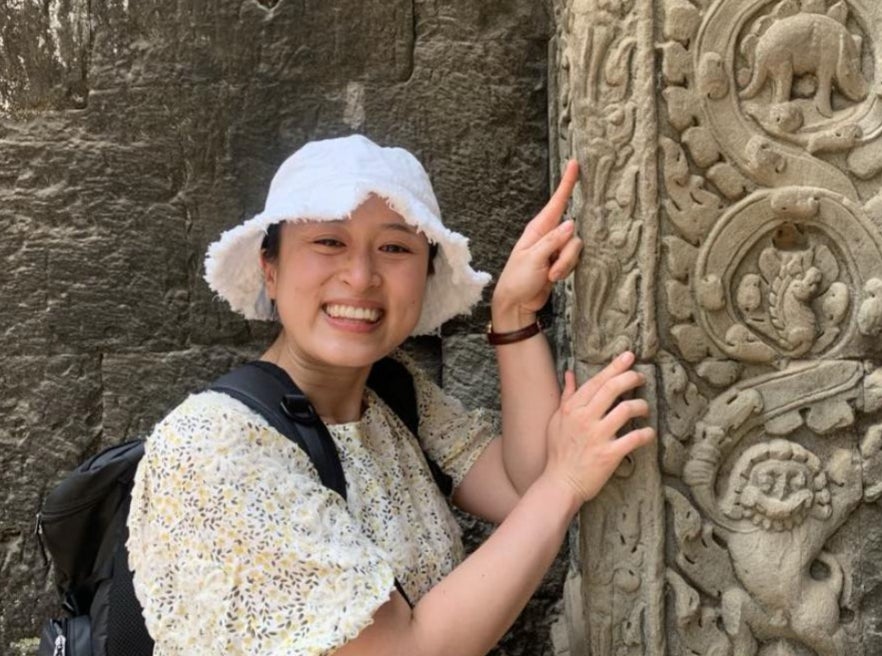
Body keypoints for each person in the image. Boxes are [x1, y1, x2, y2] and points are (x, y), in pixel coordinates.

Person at [126, 134, 654, 656]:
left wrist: (514, 313)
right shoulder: (213, 448)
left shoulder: (391, 393)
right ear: (271, 268)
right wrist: (564, 483)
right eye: (329, 242)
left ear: (426, 273)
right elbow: (403, 648)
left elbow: (521, 488)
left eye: (395, 248)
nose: (360, 277)